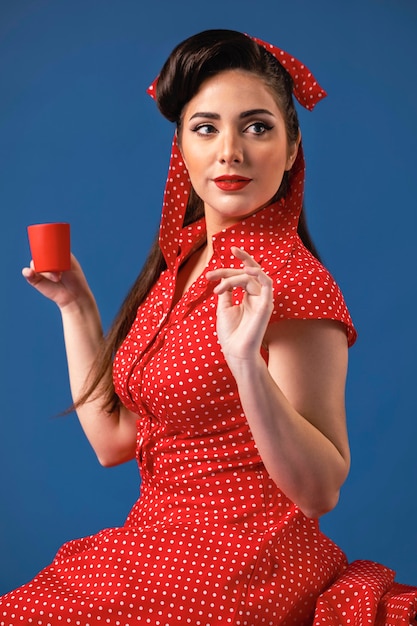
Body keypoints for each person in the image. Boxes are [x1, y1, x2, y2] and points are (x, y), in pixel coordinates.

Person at [1, 28, 416, 626]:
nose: (230, 152)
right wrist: (76, 307)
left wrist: (247, 362)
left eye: (257, 127)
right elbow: (114, 441)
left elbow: (320, 490)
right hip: (158, 545)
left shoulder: (293, 281)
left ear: (292, 147)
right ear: (182, 148)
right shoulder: (182, 266)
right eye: (206, 128)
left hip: (247, 562)